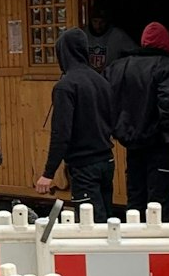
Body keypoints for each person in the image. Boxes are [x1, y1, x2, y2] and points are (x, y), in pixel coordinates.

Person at [34, 28, 118, 222]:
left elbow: (61, 133)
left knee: (91, 224)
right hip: (107, 160)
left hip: (83, 165)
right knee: (107, 219)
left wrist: (48, 173)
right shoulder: (102, 81)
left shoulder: (66, 86)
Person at [108, 21, 169, 218]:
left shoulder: (117, 67)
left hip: (130, 140)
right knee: (159, 200)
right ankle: (160, 244)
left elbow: (108, 101)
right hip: (159, 142)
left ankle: (134, 240)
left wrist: (116, 129)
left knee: (135, 196)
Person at [85, 9, 135, 75]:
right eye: (95, 21)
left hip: (112, 80)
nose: (98, 26)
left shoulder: (118, 35)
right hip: (89, 80)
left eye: (102, 22)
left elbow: (135, 54)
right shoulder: (83, 34)